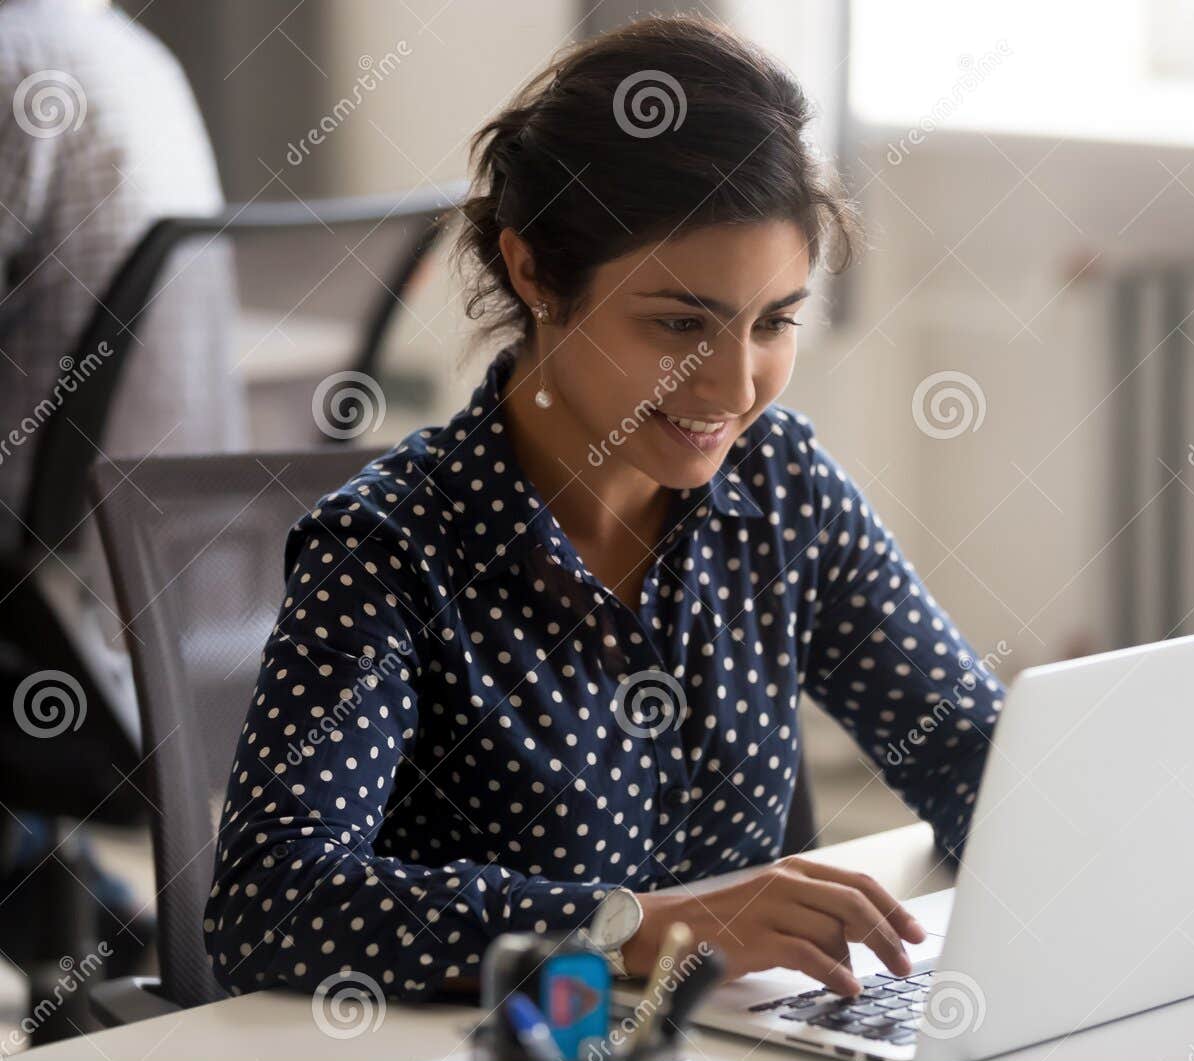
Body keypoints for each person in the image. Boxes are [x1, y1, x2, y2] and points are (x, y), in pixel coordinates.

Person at [204, 14, 1003, 1002]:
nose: (734, 383)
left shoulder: (780, 485)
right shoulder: (391, 549)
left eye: (774, 322)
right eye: (678, 323)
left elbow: (973, 758)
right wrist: (624, 926)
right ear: (536, 272)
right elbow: (269, 902)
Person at [0, 0, 241, 976]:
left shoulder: (16, 62)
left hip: (57, 632)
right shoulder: (137, 57)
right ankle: (87, 928)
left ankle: (79, 926)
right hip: (184, 625)